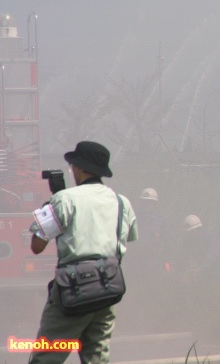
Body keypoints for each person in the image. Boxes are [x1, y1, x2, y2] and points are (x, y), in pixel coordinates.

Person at [28, 141, 138, 364]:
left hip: (73, 290)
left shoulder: (64, 199)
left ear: (78, 167)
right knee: (96, 358)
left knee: (46, 358)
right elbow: (126, 238)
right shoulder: (121, 203)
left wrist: (49, 209)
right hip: (107, 290)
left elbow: (36, 246)